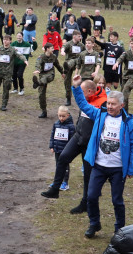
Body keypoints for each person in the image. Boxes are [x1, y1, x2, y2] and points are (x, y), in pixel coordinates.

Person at [71, 74, 133, 238]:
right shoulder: (100, 115)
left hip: (117, 169)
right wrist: (76, 87)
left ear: (121, 105)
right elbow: (83, 104)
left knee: (117, 200)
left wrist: (131, 168)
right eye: (108, 103)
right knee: (92, 196)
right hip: (99, 165)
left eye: (113, 104)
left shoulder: (130, 122)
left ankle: (119, 229)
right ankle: (94, 223)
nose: (109, 106)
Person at [42, 80, 106, 209]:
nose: (80, 95)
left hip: (90, 143)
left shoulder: (102, 102)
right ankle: (55, 189)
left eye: (82, 92)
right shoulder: (86, 99)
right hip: (78, 136)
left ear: (89, 91)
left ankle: (85, 203)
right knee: (63, 157)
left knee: (88, 174)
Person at [31, 43, 63, 118]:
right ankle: (44, 111)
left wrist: (62, 73)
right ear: (47, 49)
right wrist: (37, 70)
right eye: (52, 48)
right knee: (41, 94)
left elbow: (58, 65)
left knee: (46, 78)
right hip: (42, 75)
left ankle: (37, 83)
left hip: (50, 74)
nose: (53, 49)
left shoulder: (54, 57)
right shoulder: (41, 57)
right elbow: (37, 63)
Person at [48, 106, 74, 191]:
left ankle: (65, 183)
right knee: (58, 166)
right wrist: (52, 146)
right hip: (57, 149)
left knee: (65, 166)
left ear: (68, 115)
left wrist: (70, 150)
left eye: (63, 116)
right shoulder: (56, 124)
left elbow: (72, 139)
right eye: (59, 116)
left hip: (65, 151)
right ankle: (57, 182)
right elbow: (52, 136)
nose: (61, 118)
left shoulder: (71, 126)